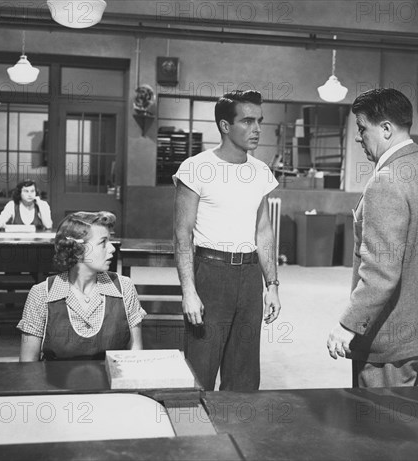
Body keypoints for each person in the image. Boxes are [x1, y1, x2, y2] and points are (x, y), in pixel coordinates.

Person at [326, 88, 418, 388]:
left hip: (391, 342)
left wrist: (348, 324)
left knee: (380, 430)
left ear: (386, 128)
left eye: (362, 128)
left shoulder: (385, 182)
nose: (358, 137)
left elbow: (381, 272)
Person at [173, 90, 281, 391]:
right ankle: (196, 436)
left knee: (244, 373)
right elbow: (182, 235)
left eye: (259, 121)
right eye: (247, 121)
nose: (257, 129)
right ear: (224, 126)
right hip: (211, 272)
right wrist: (188, 292)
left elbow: (263, 232)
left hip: (248, 277)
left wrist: (272, 285)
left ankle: (238, 436)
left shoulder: (260, 172)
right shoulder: (195, 168)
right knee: (200, 369)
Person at [18, 211, 146, 361]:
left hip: (110, 383)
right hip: (55, 384)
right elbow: (28, 365)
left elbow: (135, 355)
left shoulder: (124, 288)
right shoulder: (41, 294)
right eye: (102, 242)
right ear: (77, 250)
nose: (111, 248)